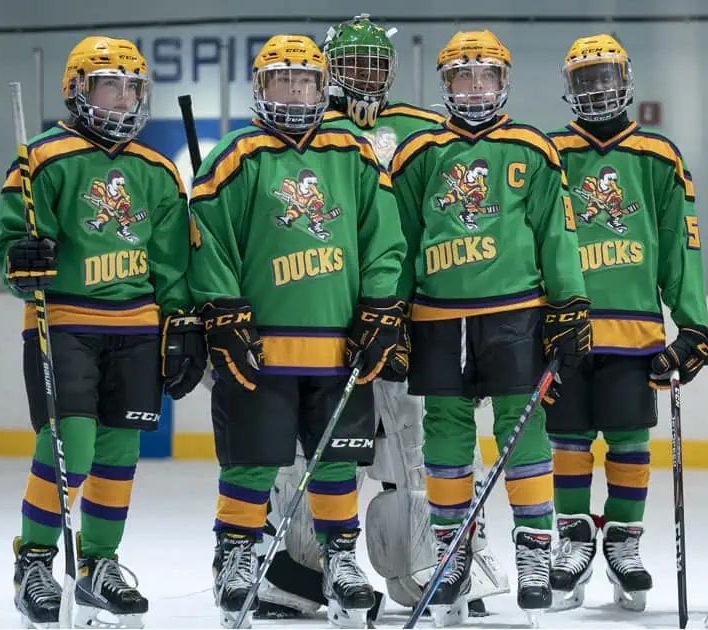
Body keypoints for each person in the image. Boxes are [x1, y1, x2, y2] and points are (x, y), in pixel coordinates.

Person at [253, 16, 511, 621]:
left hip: (409, 316)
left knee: (413, 448)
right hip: (321, 314)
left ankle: (434, 563)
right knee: (309, 449)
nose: (366, 75)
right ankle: (302, 568)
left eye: (376, 63)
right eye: (353, 63)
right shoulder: (304, 130)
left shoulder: (425, 128)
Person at [187, 33, 406, 629]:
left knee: (337, 459)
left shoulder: (354, 152)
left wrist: (379, 305)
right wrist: (224, 311)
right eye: (282, 80)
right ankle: (236, 554)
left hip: (338, 345)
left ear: (321, 87)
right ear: (261, 87)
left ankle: (340, 558)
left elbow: (383, 239)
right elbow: (209, 242)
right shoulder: (236, 155)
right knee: (253, 458)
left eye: (305, 81)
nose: (294, 92)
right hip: (262, 346)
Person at [0, 35, 205, 629]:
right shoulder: (43, 159)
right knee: (72, 443)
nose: (123, 97)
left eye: (132, 87)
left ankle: (98, 564)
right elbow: (13, 245)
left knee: (118, 452)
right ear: (78, 89)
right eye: (109, 84)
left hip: (136, 328)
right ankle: (35, 562)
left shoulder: (156, 169)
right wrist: (21, 260)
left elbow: (171, 261)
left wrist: (182, 320)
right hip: (65, 323)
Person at [390, 29, 591, 627]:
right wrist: (389, 310)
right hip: (438, 314)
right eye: (463, 75)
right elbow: (400, 240)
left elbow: (558, 232)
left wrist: (570, 302)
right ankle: (451, 551)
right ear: (446, 83)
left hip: (516, 311)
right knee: (445, 432)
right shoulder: (419, 153)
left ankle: (533, 551)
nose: (475, 87)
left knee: (522, 426)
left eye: (486, 76)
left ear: (503, 82)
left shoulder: (532, 148)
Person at [544, 34, 708, 614]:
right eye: (585, 79)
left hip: (634, 332)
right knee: (568, 440)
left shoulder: (658, 155)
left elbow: (680, 245)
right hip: (566, 330)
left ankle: (622, 542)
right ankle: (573, 540)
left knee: (627, 440)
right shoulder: (548, 153)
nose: (598, 89)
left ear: (625, 80)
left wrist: (693, 326)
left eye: (606, 77)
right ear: (569, 88)